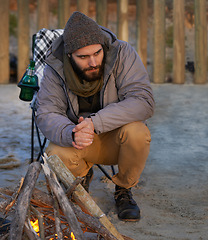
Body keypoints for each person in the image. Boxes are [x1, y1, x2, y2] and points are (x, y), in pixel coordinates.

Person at [35, 11, 155, 221]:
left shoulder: (122, 52)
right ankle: (80, 179)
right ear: (69, 55)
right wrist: (70, 133)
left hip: (115, 138)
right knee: (55, 151)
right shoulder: (55, 65)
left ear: (103, 46)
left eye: (97, 53)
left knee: (138, 132)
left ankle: (123, 190)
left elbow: (143, 101)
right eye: (83, 57)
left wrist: (95, 122)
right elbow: (47, 112)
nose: (93, 62)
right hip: (79, 139)